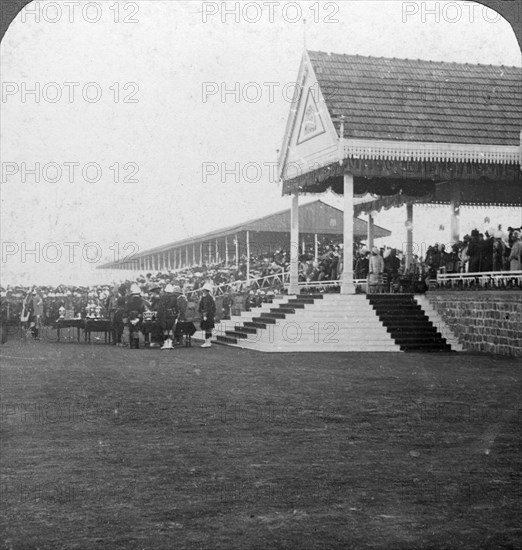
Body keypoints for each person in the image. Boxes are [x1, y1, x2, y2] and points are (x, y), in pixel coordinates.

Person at [158, 284, 179, 350]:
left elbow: (161, 307)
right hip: (172, 314)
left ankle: (165, 343)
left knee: (165, 329)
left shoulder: (163, 297)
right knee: (170, 329)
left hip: (165, 314)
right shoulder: (175, 297)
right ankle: (170, 343)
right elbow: (177, 307)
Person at [125, 284, 145, 349]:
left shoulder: (129, 300)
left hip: (131, 315)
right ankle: (136, 344)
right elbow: (142, 309)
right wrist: (139, 316)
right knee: (136, 330)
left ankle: (131, 344)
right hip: (138, 315)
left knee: (131, 330)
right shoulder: (141, 300)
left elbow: (127, 309)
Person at [199, 282, 215, 348]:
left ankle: (207, 342)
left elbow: (206, 307)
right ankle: (208, 342)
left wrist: (205, 315)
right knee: (208, 329)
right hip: (210, 315)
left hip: (207, 315)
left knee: (207, 329)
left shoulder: (207, 298)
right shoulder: (209, 297)